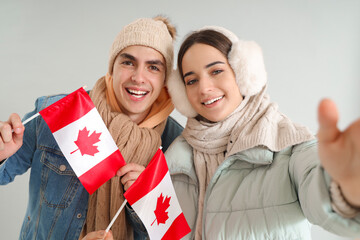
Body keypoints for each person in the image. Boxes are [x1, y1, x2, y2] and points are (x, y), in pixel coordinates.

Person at [164, 26, 360, 239]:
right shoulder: (174, 160)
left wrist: (345, 186)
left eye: (216, 71)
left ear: (243, 73)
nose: (204, 88)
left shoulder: (289, 145)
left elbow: (321, 195)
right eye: (192, 80)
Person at [0, 16, 183, 240]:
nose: (138, 77)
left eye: (153, 67)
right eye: (128, 62)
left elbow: (170, 233)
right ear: (112, 68)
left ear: (165, 79)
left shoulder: (176, 144)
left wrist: (144, 200)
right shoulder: (61, 113)